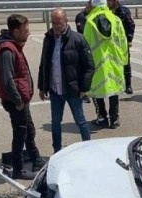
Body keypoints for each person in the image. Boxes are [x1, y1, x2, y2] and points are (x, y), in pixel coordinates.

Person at [38, 8, 95, 153]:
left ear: (66, 20)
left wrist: (84, 88)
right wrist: (42, 87)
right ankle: (57, 151)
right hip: (55, 89)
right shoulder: (48, 39)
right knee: (55, 123)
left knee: (80, 121)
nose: (56, 26)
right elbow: (44, 64)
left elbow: (89, 66)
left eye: (59, 22)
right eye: (54, 23)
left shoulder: (78, 39)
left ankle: (88, 148)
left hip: (73, 90)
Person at [0, 14, 42, 180]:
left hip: (21, 99)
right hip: (16, 102)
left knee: (29, 130)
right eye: (25, 30)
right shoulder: (8, 50)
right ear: (15, 31)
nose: (28, 33)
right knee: (20, 134)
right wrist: (18, 101)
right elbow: (7, 80)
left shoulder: (15, 46)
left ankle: (35, 159)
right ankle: (18, 169)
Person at [83, 0, 128, 129]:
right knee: (114, 90)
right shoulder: (116, 20)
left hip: (97, 63)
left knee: (96, 91)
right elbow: (123, 41)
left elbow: (85, 45)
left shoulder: (90, 21)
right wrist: (124, 60)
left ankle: (102, 117)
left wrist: (85, 64)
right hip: (115, 62)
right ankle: (114, 119)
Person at [108, 0, 135, 95]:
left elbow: (131, 25)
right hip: (110, 43)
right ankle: (114, 83)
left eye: (110, 1)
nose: (108, 2)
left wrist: (129, 40)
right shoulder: (106, 11)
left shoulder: (124, 11)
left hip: (122, 42)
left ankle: (128, 85)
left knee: (126, 63)